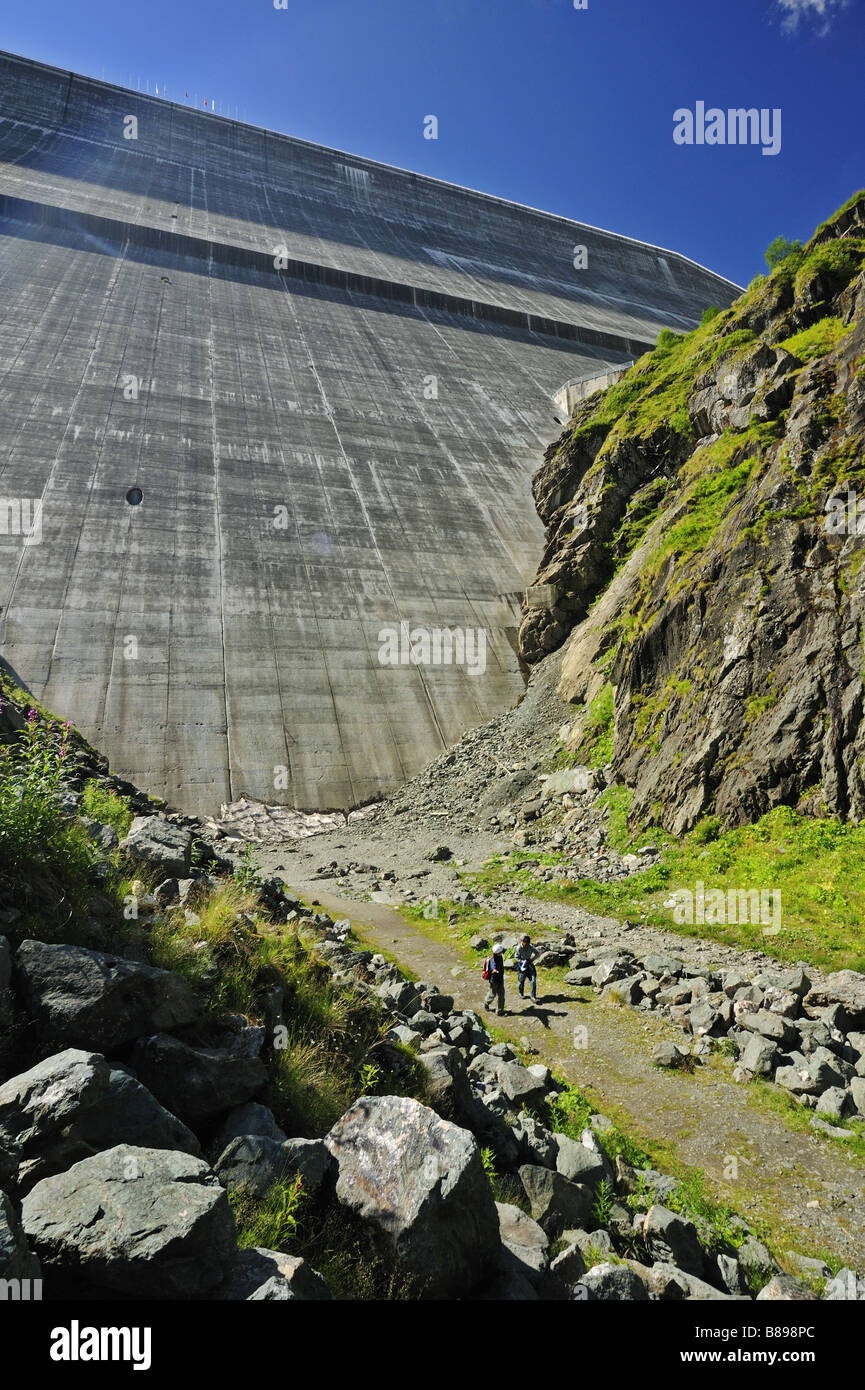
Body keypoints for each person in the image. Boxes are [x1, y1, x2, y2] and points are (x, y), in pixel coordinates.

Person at [484, 942, 506, 1015]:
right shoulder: (492, 960)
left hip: (500, 980)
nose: (502, 952)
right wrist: (494, 970)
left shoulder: (499, 956)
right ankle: (486, 1002)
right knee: (492, 994)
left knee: (501, 995)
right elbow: (493, 967)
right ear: (498, 953)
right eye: (501, 952)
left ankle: (499, 1011)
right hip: (494, 981)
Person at [515, 934, 539, 1002]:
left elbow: (537, 953)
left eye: (528, 943)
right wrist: (523, 962)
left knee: (533, 980)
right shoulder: (518, 948)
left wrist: (532, 959)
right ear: (522, 942)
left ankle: (533, 996)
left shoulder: (531, 947)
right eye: (525, 943)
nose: (527, 945)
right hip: (521, 966)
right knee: (521, 981)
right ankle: (520, 993)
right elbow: (516, 958)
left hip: (529, 965)